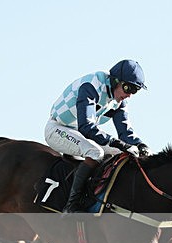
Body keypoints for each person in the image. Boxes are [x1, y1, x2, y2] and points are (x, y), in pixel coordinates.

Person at [45, 59, 150, 215]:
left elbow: (125, 132)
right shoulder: (91, 86)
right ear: (115, 81)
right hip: (58, 128)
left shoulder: (119, 101)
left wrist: (141, 145)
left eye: (135, 91)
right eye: (128, 88)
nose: (129, 95)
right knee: (96, 152)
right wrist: (118, 143)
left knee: (124, 154)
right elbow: (86, 127)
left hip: (80, 134)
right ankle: (71, 205)